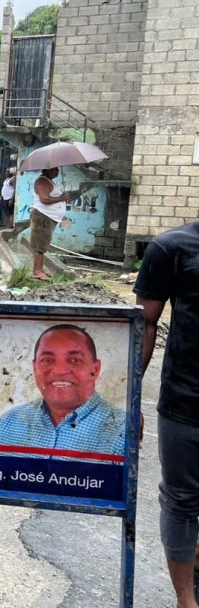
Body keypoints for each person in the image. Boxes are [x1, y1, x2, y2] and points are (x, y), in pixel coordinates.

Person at [135, 221, 199, 608]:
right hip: (185, 403)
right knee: (181, 499)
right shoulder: (171, 247)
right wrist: (130, 399)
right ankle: (185, 599)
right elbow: (143, 324)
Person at [0, 324, 126, 459]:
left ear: (95, 369)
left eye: (74, 360)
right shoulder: (9, 422)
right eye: (47, 360)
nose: (60, 370)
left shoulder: (121, 430)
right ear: (34, 368)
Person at [30, 167, 73, 280]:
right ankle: (37, 271)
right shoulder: (42, 181)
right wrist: (61, 198)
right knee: (39, 244)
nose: (57, 171)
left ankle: (40, 269)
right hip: (43, 216)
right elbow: (44, 199)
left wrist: (62, 198)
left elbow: (52, 197)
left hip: (48, 217)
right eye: (55, 169)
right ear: (48, 170)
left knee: (43, 244)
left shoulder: (48, 181)